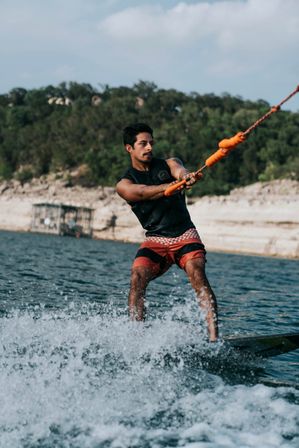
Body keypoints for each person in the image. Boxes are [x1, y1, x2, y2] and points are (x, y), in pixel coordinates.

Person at [116, 123, 218, 342]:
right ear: (129, 149)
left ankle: (213, 339)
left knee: (196, 271)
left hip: (184, 234)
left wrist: (184, 177)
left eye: (151, 142)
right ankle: (137, 338)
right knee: (137, 277)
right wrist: (169, 187)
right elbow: (142, 193)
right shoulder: (124, 184)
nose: (149, 147)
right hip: (156, 240)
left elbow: (180, 170)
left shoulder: (169, 164)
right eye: (142, 144)